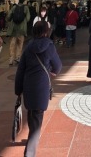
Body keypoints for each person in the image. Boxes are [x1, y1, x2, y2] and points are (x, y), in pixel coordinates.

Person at [15, 20, 62, 157]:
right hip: (42, 86)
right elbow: (58, 66)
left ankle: (32, 138)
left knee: (32, 114)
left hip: (28, 85)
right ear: (47, 32)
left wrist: (18, 90)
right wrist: (52, 71)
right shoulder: (50, 46)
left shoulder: (28, 46)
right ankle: (29, 152)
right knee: (36, 118)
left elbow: (20, 70)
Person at [7, 0, 30, 66]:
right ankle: (18, 58)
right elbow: (28, 18)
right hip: (22, 29)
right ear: (23, 1)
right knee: (20, 45)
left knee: (12, 45)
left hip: (14, 29)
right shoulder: (26, 8)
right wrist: (24, 21)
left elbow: (8, 16)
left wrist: (9, 20)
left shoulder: (14, 7)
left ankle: (11, 59)